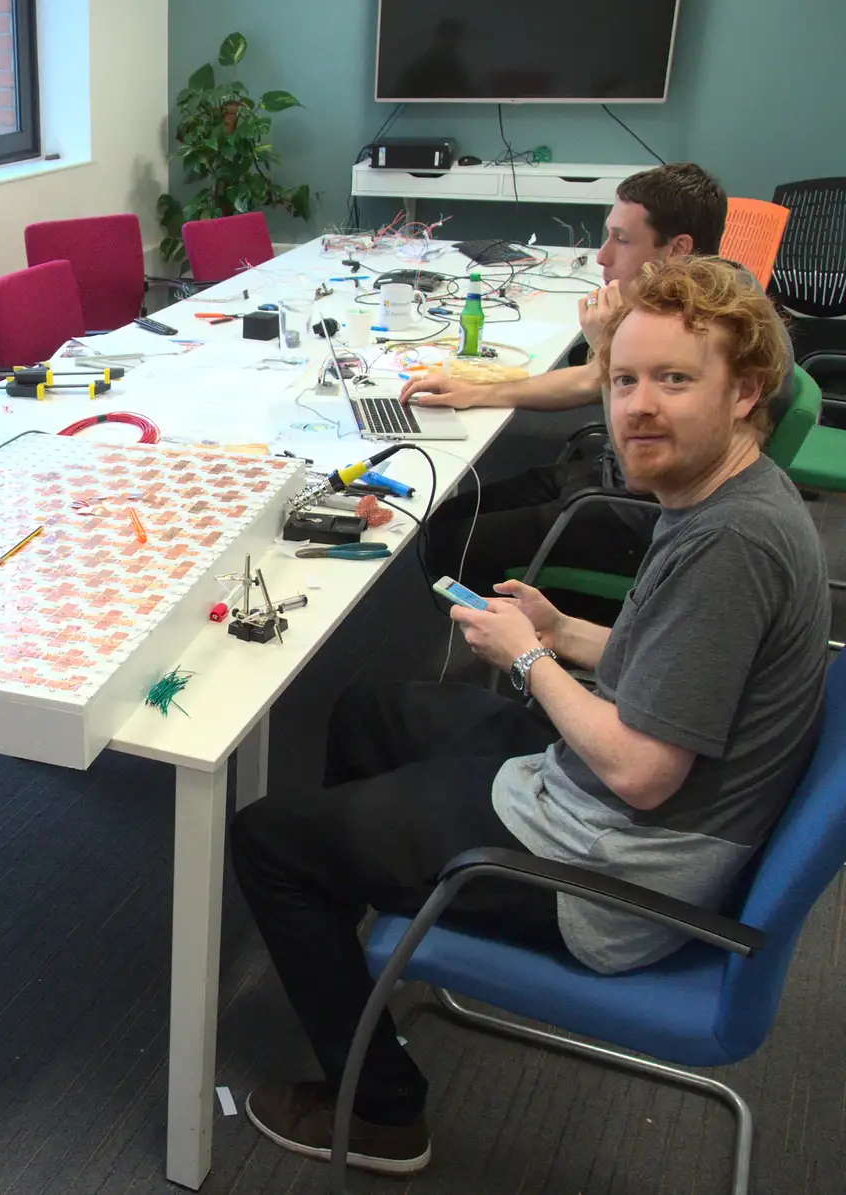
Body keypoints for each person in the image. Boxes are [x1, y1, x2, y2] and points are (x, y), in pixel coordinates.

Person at [231, 256, 827, 1176]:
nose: (636, 407)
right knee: (366, 711)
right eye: (625, 380)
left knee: (269, 837)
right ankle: (364, 966)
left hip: (615, 864)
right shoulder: (724, 494)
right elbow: (674, 667)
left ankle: (385, 1112)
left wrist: (531, 656)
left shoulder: (733, 546)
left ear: (746, 391)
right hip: (607, 798)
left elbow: (642, 771)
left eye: (674, 380)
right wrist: (571, 633)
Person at [401, 163, 793, 618]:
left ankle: (542, 640)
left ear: (678, 249)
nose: (602, 256)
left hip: (641, 508)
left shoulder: (706, 328)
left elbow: (635, 464)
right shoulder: (710, 291)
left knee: (453, 542)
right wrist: (475, 390)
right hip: (614, 480)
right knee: (448, 517)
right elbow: (593, 381)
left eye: (622, 240)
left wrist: (606, 347)